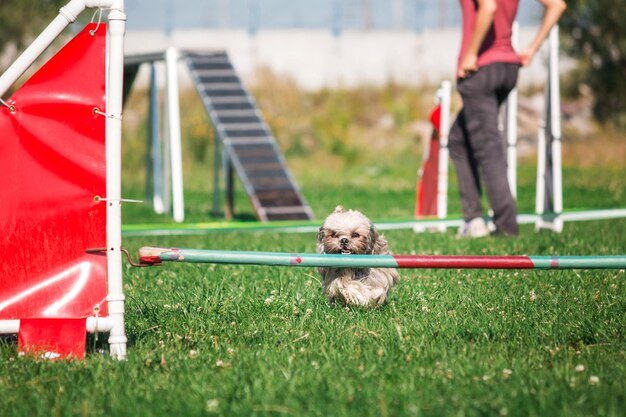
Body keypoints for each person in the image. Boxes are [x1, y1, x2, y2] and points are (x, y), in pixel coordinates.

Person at [449, 0, 566, 237]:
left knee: (488, 147)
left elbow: (489, 7)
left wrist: (471, 53)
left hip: (480, 69)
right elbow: (557, 5)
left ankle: (505, 225)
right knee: (458, 138)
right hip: (507, 66)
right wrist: (531, 49)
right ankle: (473, 219)